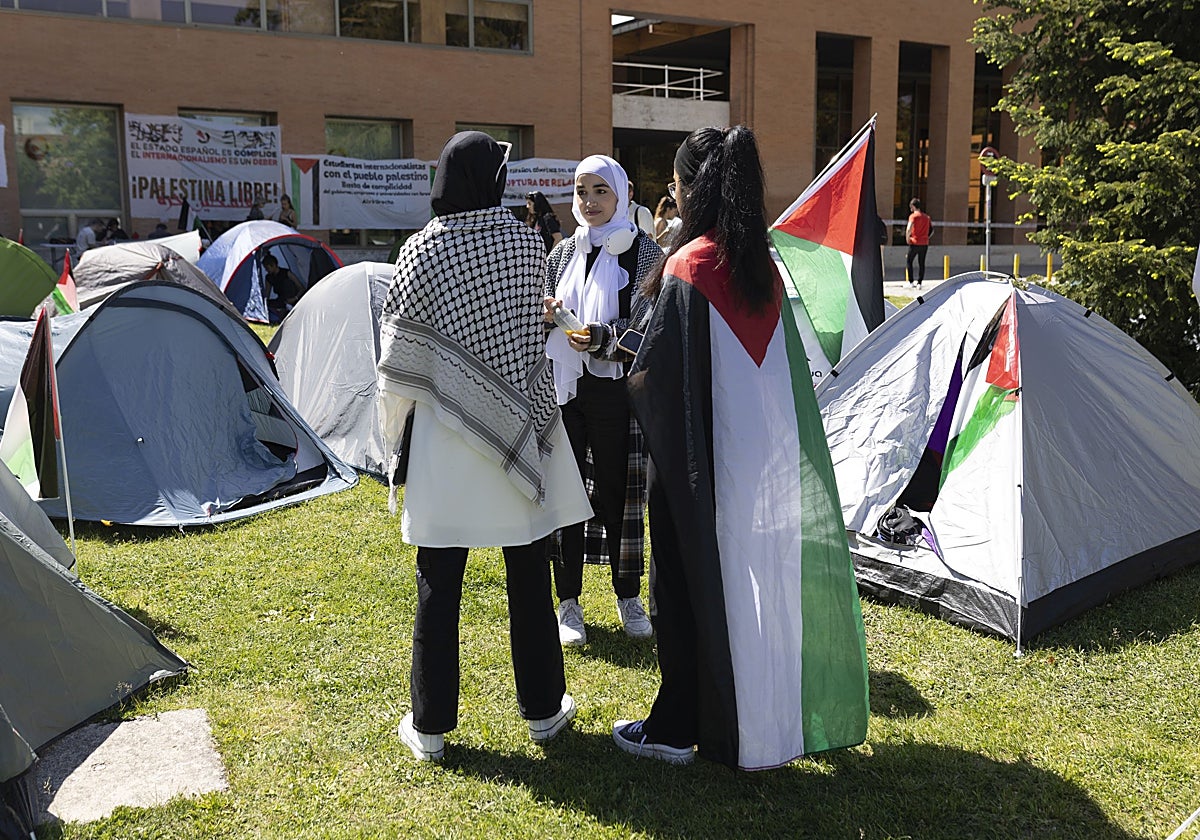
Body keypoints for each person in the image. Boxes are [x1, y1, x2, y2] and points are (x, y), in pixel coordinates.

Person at [613, 126, 869, 769]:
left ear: (692, 189)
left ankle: (677, 726)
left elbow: (662, 377)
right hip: (761, 461)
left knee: (684, 586)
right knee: (755, 587)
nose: (671, 194)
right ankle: (763, 719)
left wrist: (622, 360)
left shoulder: (689, 264)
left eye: (674, 184)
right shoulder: (765, 266)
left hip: (699, 466)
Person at [376, 131, 591, 762]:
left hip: (446, 434)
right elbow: (532, 328)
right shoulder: (526, 240)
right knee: (528, 576)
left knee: (438, 585)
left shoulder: (420, 249)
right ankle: (546, 713)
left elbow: (396, 353)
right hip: (516, 435)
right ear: (492, 182)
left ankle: (431, 728)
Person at [543, 155, 659, 646]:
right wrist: (550, 315)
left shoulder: (644, 253)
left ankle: (627, 594)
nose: (589, 202)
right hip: (567, 391)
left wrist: (602, 339)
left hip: (618, 392)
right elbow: (542, 313)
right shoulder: (562, 254)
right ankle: (567, 601)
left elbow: (650, 325)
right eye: (582, 190)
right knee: (567, 494)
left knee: (620, 495)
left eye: (600, 191)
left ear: (622, 196)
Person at [261, 254, 302, 322]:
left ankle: (288, 309)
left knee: (287, 283)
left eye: (267, 268)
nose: (266, 270)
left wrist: (295, 298)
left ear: (273, 265)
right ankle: (282, 310)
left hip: (292, 298)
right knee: (270, 304)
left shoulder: (286, 273)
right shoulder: (269, 277)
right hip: (282, 300)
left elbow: (301, 288)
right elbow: (267, 294)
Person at [905, 197, 932, 287]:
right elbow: (931, 230)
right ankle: (919, 282)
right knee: (921, 263)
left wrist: (908, 239)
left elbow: (909, 228)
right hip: (924, 243)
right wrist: (926, 237)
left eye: (911, 207)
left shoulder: (913, 216)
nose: (910, 209)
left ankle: (911, 282)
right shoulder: (927, 217)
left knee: (909, 261)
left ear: (913, 206)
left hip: (914, 242)